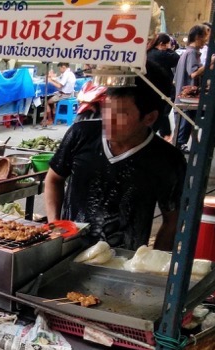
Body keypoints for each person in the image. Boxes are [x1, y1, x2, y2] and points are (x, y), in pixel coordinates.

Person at [44, 61, 184, 252]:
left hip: (125, 262)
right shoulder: (81, 134)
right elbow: (53, 179)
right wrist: (55, 224)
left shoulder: (168, 160)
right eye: (107, 109)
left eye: (121, 114)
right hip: (68, 252)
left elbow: (172, 220)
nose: (108, 120)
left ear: (149, 118)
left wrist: (152, 263)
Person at [174, 24, 209, 152]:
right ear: (198, 37)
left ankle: (185, 144)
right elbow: (193, 73)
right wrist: (210, 63)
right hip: (186, 99)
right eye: (205, 37)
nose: (206, 41)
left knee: (187, 122)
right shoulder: (192, 53)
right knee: (185, 123)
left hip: (183, 98)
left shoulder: (189, 52)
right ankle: (180, 146)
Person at [146, 34, 180, 139]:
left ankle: (162, 135)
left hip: (150, 89)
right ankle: (165, 135)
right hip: (163, 90)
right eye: (168, 44)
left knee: (156, 113)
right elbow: (176, 58)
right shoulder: (162, 55)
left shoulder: (148, 53)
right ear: (162, 44)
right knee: (162, 113)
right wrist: (170, 49)